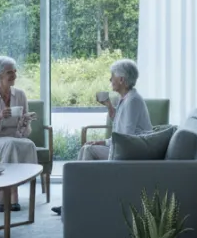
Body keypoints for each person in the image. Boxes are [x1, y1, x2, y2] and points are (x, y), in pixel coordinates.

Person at [51, 58, 152, 216]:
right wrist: (109, 107)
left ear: (121, 79)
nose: (110, 79)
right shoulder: (126, 98)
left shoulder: (132, 101)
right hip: (127, 148)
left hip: (131, 153)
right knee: (88, 148)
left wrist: (104, 142)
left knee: (89, 150)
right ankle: (74, 201)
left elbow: (125, 137)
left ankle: (74, 202)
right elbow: (121, 126)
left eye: (112, 76)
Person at [0, 56, 38, 212]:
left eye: (15, 71)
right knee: (9, 144)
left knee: (29, 144)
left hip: (13, 139)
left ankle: (13, 190)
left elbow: (23, 134)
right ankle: (3, 193)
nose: (14, 75)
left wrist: (25, 122)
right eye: (10, 72)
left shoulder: (20, 95)